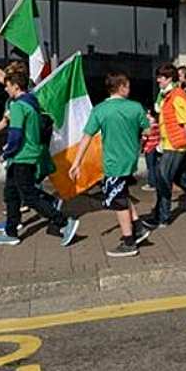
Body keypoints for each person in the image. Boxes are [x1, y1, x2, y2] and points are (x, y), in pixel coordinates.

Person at [0, 70, 79, 247]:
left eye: (7, 86)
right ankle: (11, 231)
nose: (6, 90)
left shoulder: (17, 106)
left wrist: (7, 152)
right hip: (28, 155)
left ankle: (63, 222)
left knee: (29, 196)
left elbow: (16, 134)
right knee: (11, 193)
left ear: (16, 86)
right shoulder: (33, 103)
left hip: (22, 157)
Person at [70, 72, 152, 257]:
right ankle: (138, 227)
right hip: (130, 159)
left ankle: (129, 241)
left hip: (113, 161)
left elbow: (87, 137)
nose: (129, 89)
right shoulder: (136, 107)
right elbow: (147, 130)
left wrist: (77, 162)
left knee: (118, 201)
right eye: (128, 86)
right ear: (121, 87)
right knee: (122, 193)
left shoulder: (100, 110)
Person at [143, 63, 186, 228]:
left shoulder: (177, 96)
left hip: (175, 146)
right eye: (158, 77)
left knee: (162, 179)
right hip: (171, 144)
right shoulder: (169, 96)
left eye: (161, 77)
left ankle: (162, 217)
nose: (158, 80)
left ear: (169, 79)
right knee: (179, 178)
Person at [141, 109, 161, 192]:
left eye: (149, 115)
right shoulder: (158, 125)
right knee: (155, 165)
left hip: (148, 148)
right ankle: (156, 182)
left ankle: (151, 183)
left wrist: (141, 145)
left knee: (150, 167)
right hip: (156, 147)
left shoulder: (148, 127)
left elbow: (144, 138)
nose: (147, 116)